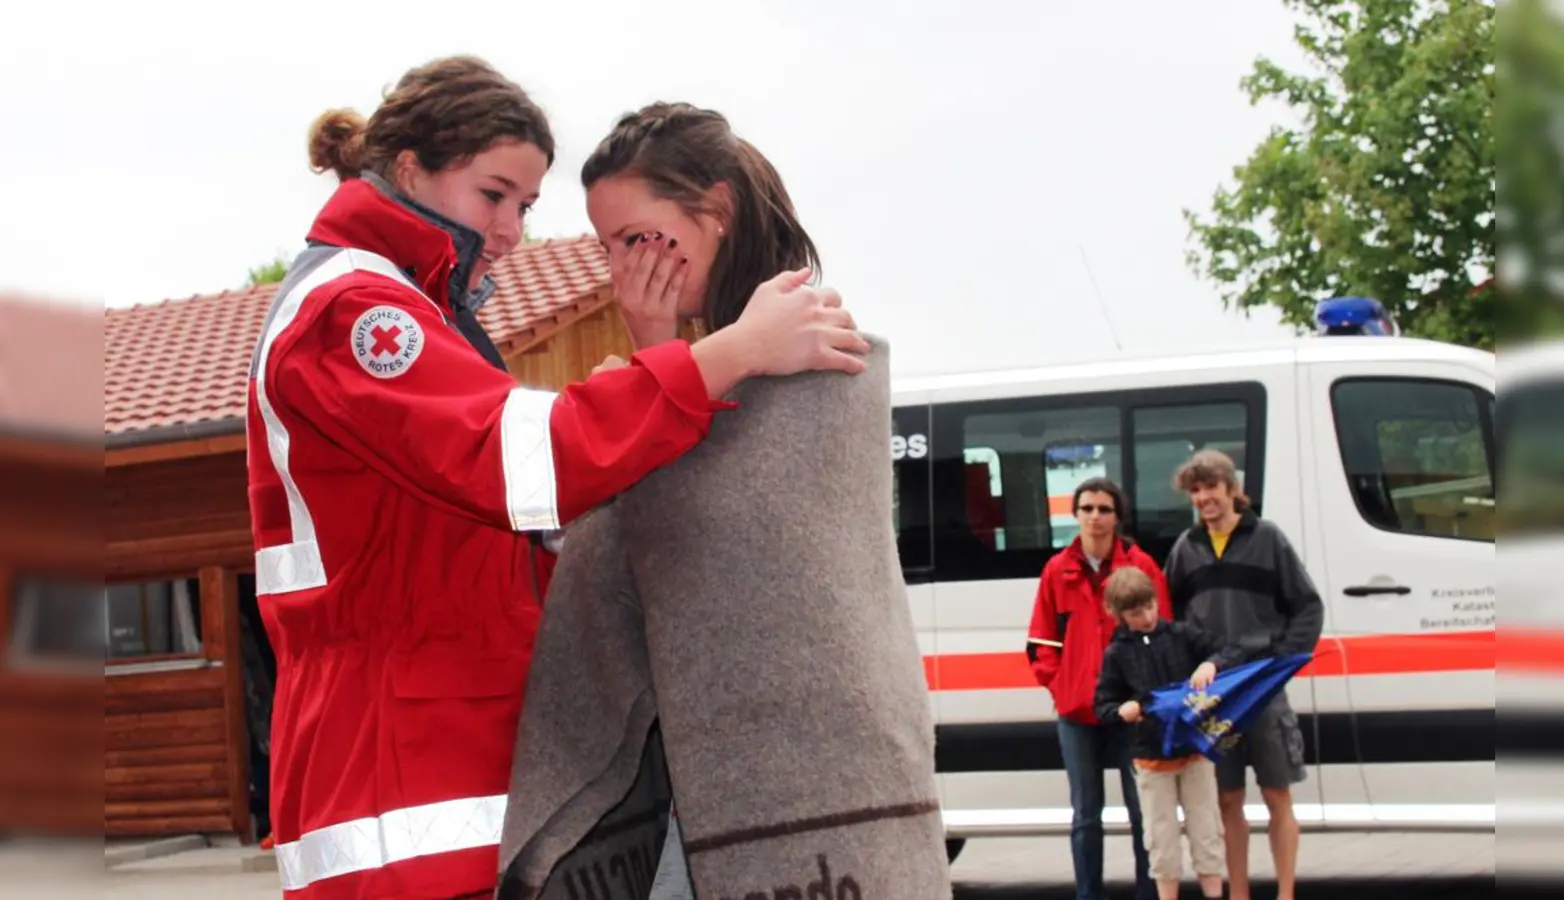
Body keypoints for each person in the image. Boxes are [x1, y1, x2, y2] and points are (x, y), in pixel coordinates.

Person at [246, 57, 870, 900]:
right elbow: (520, 462)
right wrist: (724, 355)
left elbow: (521, 524)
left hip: (438, 760)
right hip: (408, 776)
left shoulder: (412, 311)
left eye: (526, 205)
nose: (511, 229)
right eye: (494, 195)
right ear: (410, 171)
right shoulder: (355, 312)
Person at [1163, 450, 1324, 900]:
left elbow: (1307, 606)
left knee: (1277, 795)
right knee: (1227, 799)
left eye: (1211, 487)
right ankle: (1239, 894)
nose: (1204, 498)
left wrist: (1282, 663)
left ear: (1232, 489)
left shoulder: (1268, 538)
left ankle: (1286, 893)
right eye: (1195, 491)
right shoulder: (1186, 548)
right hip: (1214, 695)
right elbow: (1172, 616)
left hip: (1263, 690)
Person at [1024, 477, 1167, 900]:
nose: (1095, 516)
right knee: (1085, 815)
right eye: (1087, 508)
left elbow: (1162, 633)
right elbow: (1041, 641)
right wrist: (1060, 686)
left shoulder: (1140, 567)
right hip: (1078, 712)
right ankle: (1088, 895)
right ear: (1075, 513)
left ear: (1117, 516)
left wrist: (1145, 694)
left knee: (1143, 811)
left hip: (1131, 711)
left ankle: (1149, 893)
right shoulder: (1057, 570)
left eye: (1104, 509)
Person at [1094, 566, 1254, 900]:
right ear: (1119, 616)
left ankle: (1213, 893)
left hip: (1194, 752)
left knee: (1206, 831)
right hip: (1151, 760)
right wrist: (1121, 711)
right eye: (1136, 613)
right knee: (1161, 839)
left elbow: (1231, 649)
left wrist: (1211, 664)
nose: (1147, 617)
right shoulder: (1116, 653)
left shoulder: (1182, 635)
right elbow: (1103, 704)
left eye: (1149, 606)